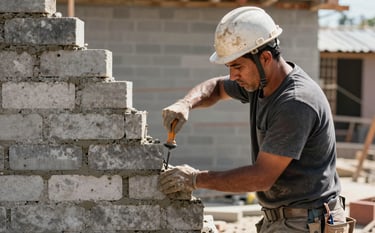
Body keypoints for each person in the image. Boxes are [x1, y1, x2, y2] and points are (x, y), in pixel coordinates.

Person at [159, 6, 347, 233]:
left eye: (237, 66)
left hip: (307, 222)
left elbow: (262, 177)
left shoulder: (295, 103)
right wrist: (186, 103)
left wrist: (195, 179)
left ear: (265, 57)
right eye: (229, 67)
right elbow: (217, 88)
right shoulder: (260, 84)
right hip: (283, 219)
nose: (232, 76)